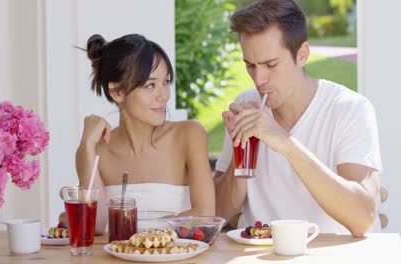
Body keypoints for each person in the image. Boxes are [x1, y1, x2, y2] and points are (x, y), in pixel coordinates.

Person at [214, 0, 382, 237]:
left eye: (270, 64)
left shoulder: (350, 109)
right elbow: (218, 214)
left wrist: (286, 143)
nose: (259, 79)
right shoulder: (247, 106)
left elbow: (363, 218)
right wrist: (241, 152)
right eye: (250, 65)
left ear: (302, 54)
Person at [76, 34, 215, 234]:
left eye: (165, 82)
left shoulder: (189, 135)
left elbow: (205, 214)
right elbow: (95, 227)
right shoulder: (95, 151)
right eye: (151, 85)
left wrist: (142, 241)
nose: (164, 95)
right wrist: (87, 145)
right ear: (117, 92)